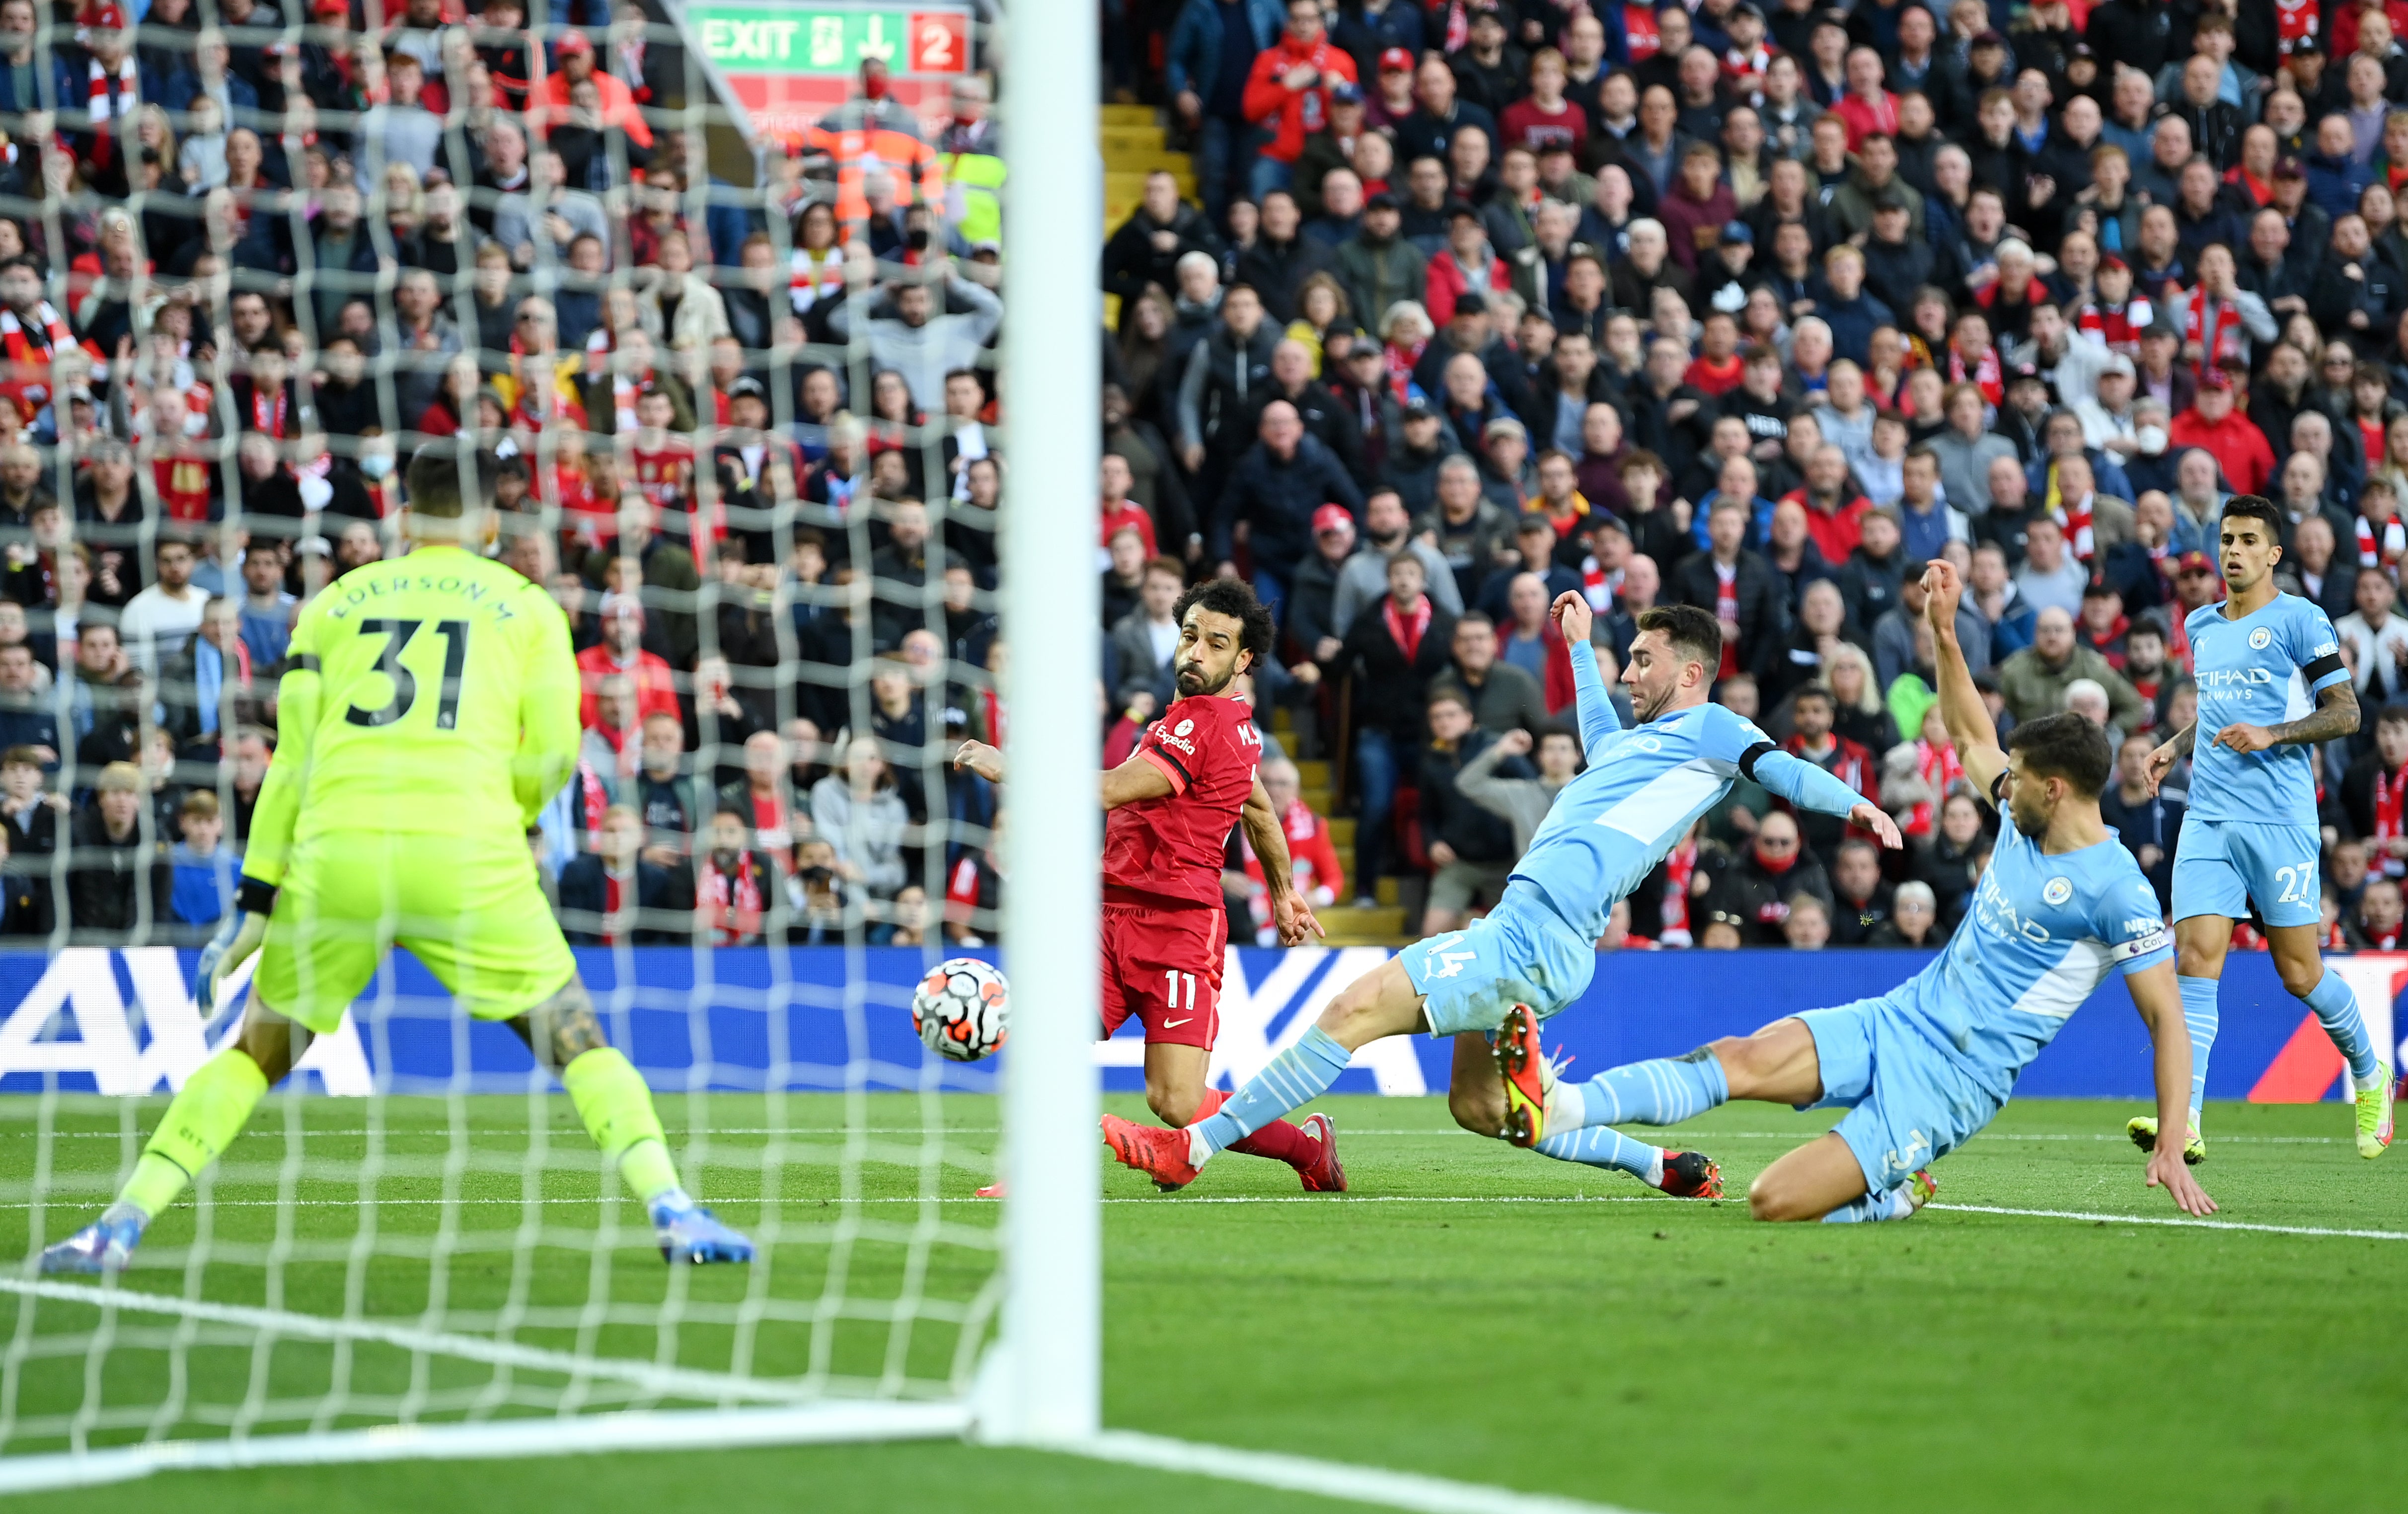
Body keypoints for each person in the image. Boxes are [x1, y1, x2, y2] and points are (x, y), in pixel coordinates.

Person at [39, 450, 754, 1275]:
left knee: (253, 1053)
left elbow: (290, 763)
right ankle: (672, 1207)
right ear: (492, 524)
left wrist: (257, 902)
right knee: (577, 1040)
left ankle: (119, 1222)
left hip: (339, 853)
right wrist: (505, 814)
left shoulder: (336, 601)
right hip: (467, 854)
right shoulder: (527, 607)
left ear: (404, 518)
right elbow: (558, 752)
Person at [1099, 599, 1901, 1194]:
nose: (1628, 672)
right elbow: (1598, 736)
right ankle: (1661, 1168)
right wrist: (1581, 651)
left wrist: (1853, 803)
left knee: (1350, 1009)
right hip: (1538, 936)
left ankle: (1194, 1146)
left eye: (1641, 659)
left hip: (1530, 933)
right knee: (1482, 1110)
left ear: (1689, 671)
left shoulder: (1715, 730)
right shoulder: (1645, 747)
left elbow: (1779, 767)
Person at [1504, 559, 2213, 1223]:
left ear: (2055, 790)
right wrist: (1943, 630)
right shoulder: (2024, 811)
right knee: (1739, 1057)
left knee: (1771, 1199)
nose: (2004, 782)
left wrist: (2173, 1132)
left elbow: (2167, 1021)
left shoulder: (2119, 891)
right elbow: (1969, 736)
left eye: (2020, 776)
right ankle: (1562, 1106)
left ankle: (1896, 1193)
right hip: (1900, 1017)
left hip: (1953, 1080)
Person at [952, 578, 1342, 1195]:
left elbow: (1109, 790)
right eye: (1190, 637)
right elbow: (1260, 811)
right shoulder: (1221, 726)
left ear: (1243, 661)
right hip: (1111, 917)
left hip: (1180, 929)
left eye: (1217, 644)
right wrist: (1283, 890)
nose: (1196, 653)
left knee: (1176, 1103)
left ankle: (1308, 1149)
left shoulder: (1205, 725)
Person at [2136, 493, 2393, 1164]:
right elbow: (2225, 706)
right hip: (2210, 817)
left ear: (2274, 554)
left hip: (2279, 821)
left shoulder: (2301, 620)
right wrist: (2176, 743)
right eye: (2227, 539)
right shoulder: (2200, 623)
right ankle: (2185, 1121)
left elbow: (2345, 713)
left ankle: (2370, 1072)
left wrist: (2275, 734)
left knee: (2300, 972)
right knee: (2194, 959)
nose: (2233, 550)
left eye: (2249, 540)